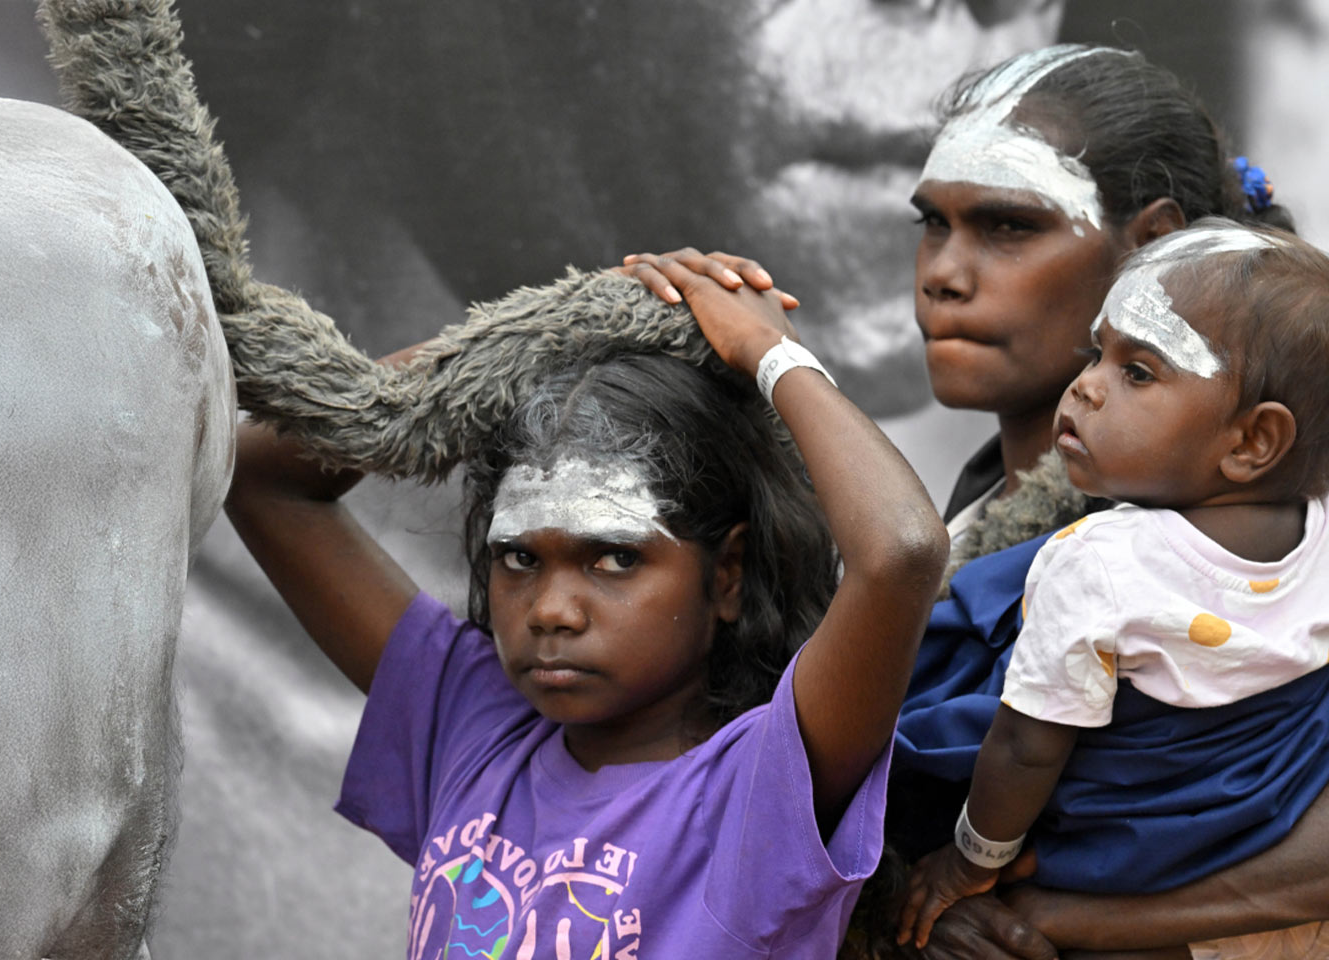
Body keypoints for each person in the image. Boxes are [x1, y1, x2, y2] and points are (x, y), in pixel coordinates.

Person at [625, 43, 1329, 959]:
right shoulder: (975, 513)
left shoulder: (1248, 549)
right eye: (934, 224)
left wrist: (1051, 920)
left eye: (1007, 227)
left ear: (1149, 245)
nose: (943, 273)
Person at [225, 262, 949, 955]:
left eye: (615, 558)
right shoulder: (474, 724)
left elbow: (902, 553)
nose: (551, 611)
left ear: (727, 575)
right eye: (520, 558)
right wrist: (560, 321)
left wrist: (769, 353)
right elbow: (259, 476)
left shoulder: (760, 791)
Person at [898, 221, 1329, 957]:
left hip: (1098, 865)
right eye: (1095, 352)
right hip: (1245, 847)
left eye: (1138, 371)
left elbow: (1028, 748)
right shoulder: (1318, 536)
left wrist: (969, 860)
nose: (1086, 387)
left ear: (1253, 442)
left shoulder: (1101, 563)